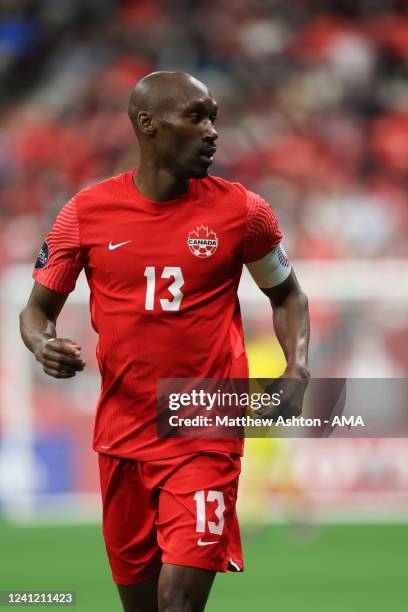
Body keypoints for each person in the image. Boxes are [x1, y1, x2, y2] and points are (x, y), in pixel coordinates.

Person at [19, 71, 310, 612]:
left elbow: (288, 295)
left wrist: (296, 365)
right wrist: (43, 345)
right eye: (196, 117)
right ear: (147, 124)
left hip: (204, 430)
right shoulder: (85, 214)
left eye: (214, 118)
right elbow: (36, 312)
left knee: (179, 602)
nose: (213, 132)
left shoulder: (242, 212)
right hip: (121, 436)